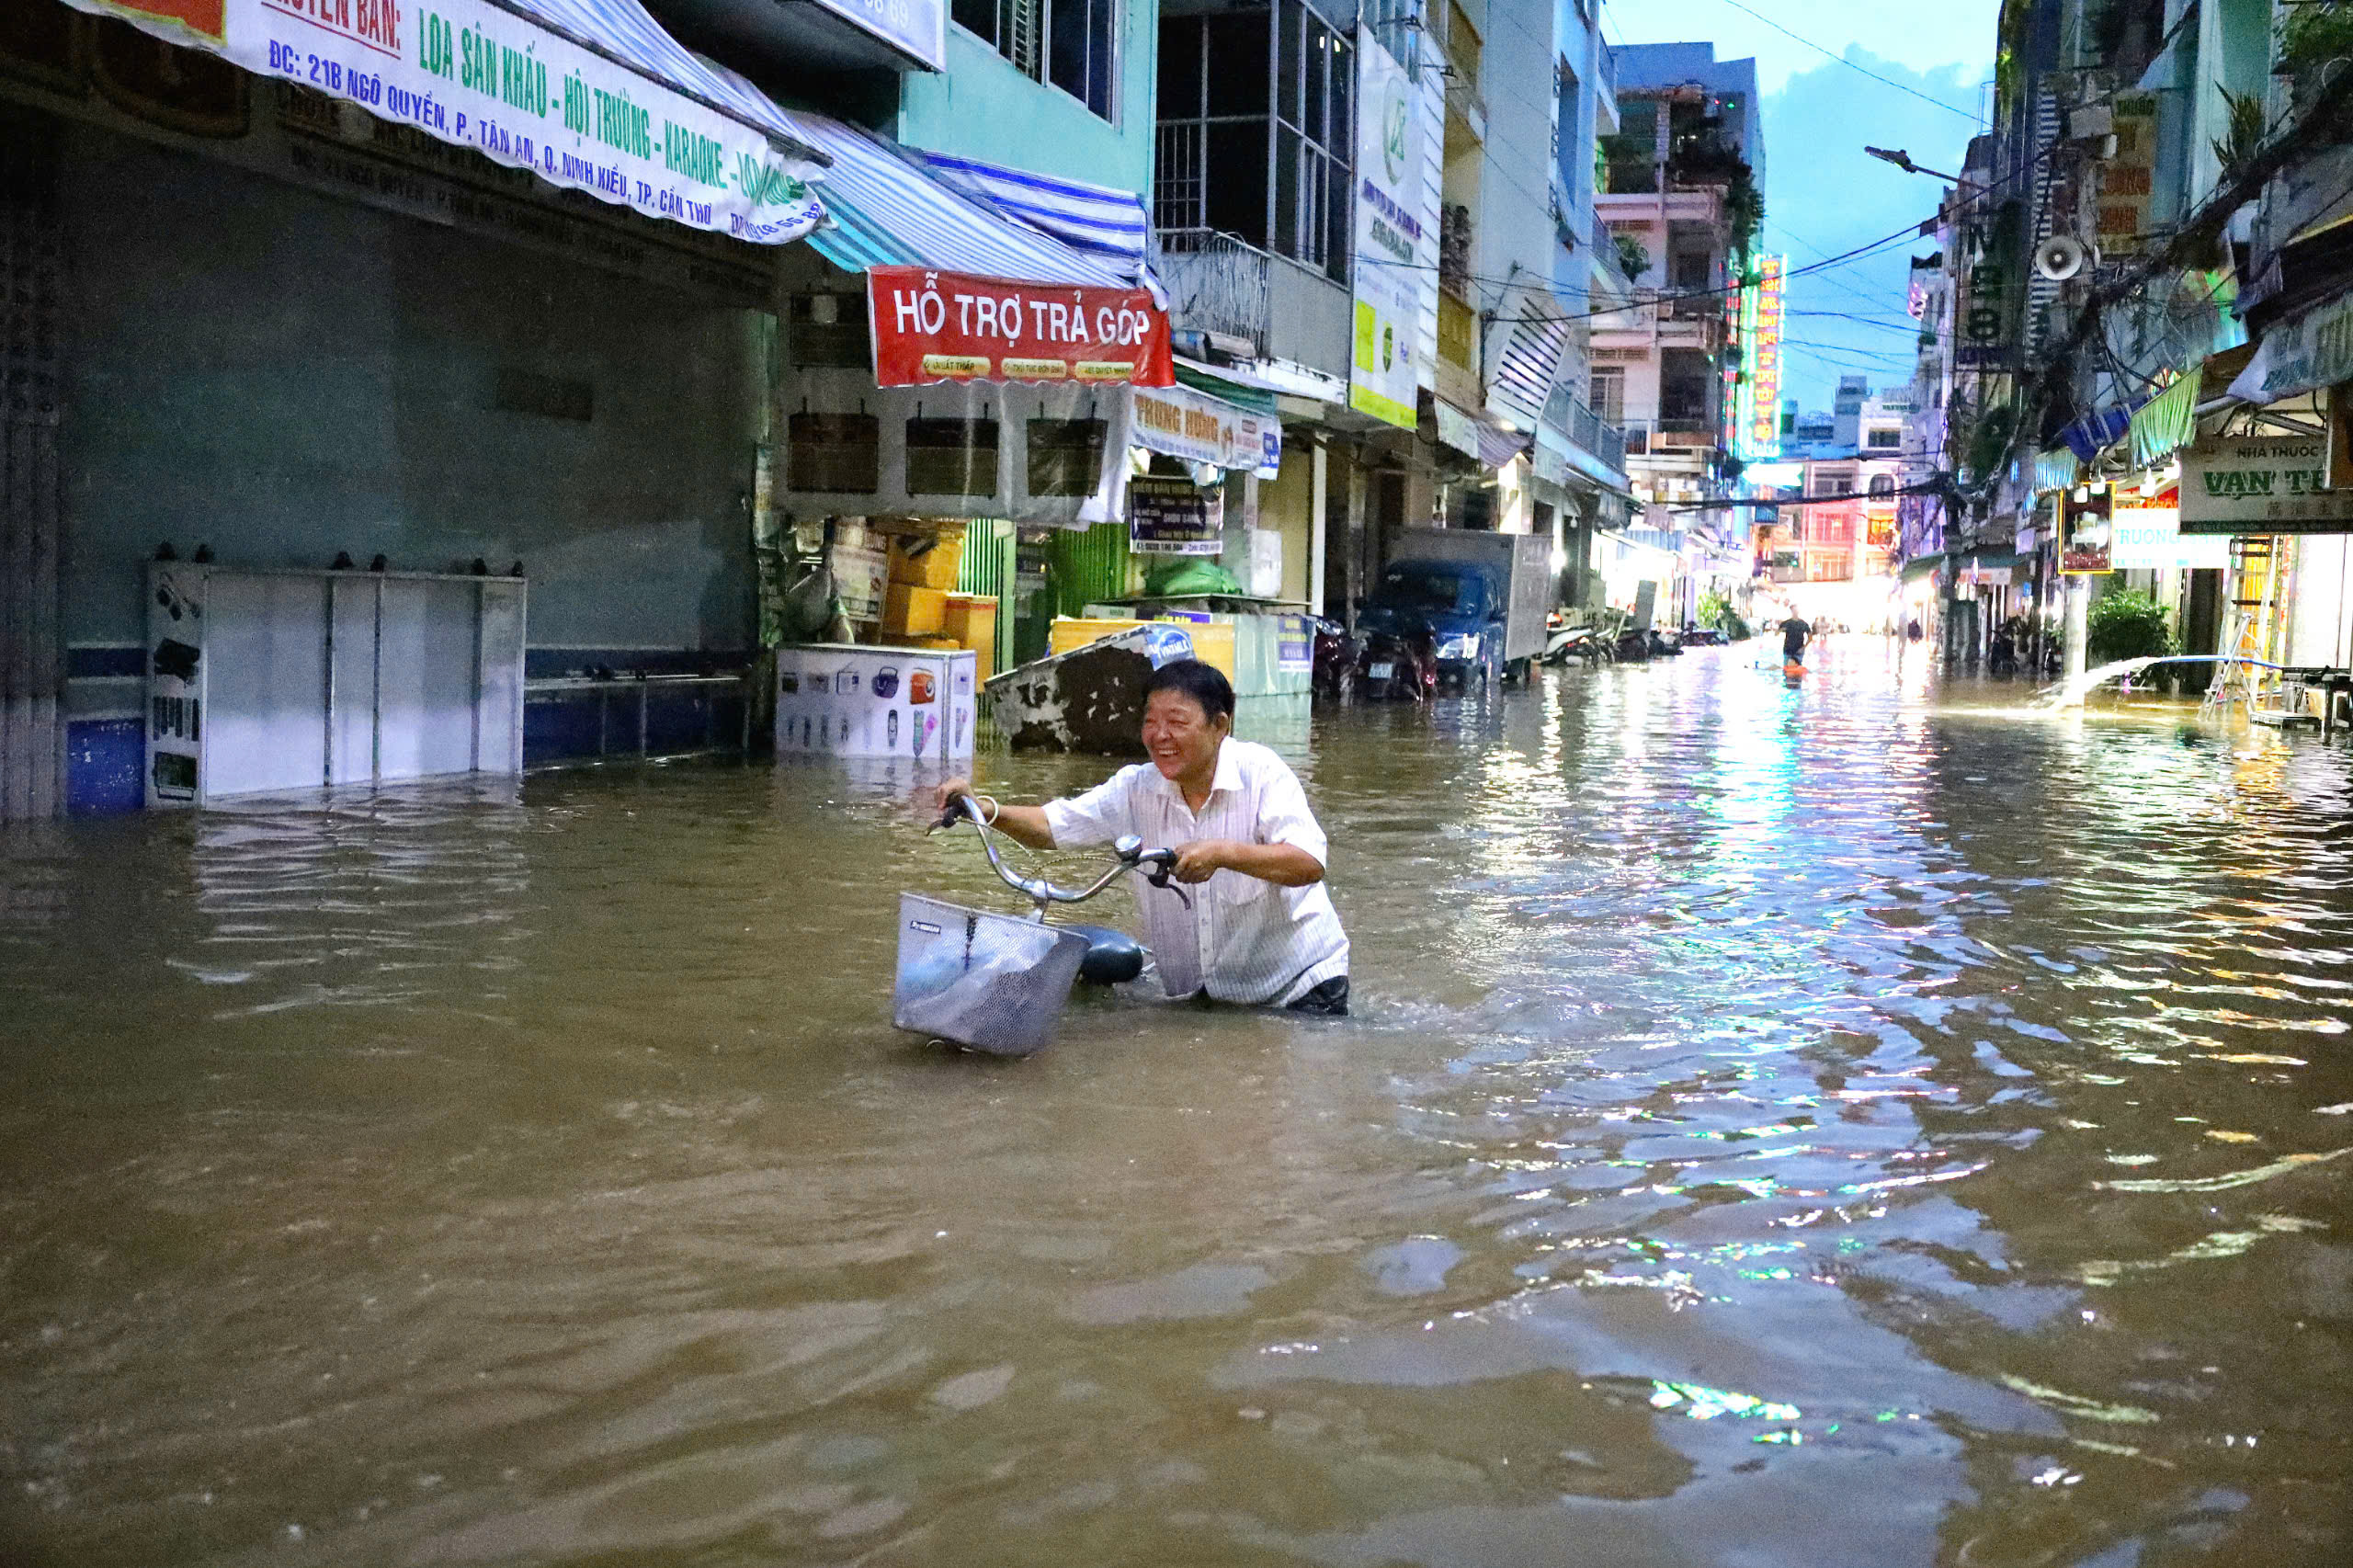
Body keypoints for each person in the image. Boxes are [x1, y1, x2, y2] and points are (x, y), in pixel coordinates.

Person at [934, 660, 1352, 1015]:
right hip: (1204, 997)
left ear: (1220, 726)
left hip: (1300, 989)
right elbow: (1053, 825)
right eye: (1151, 722)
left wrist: (1222, 853)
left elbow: (1307, 863)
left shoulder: (1262, 773)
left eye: (1177, 722)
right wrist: (985, 810)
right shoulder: (1135, 788)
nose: (1159, 736)